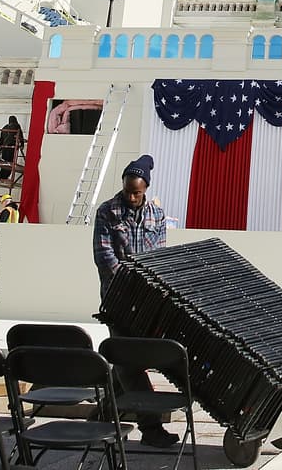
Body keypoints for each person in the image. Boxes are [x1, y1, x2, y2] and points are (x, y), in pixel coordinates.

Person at [92, 155, 178, 449]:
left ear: (145, 189)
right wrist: (133, 285)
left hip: (147, 303)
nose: (131, 196)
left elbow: (161, 257)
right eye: (128, 190)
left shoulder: (157, 215)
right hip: (118, 302)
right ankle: (150, 427)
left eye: (136, 192)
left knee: (125, 360)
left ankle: (102, 414)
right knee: (129, 363)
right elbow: (106, 259)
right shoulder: (107, 212)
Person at [0, 116, 24, 180]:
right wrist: (22, 144)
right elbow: (20, 135)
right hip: (11, 148)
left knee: (4, 164)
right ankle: (4, 177)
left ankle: (0, 177)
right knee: (10, 164)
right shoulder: (17, 126)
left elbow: (1, 139)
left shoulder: (4, 127)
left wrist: (1, 149)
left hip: (4, 148)